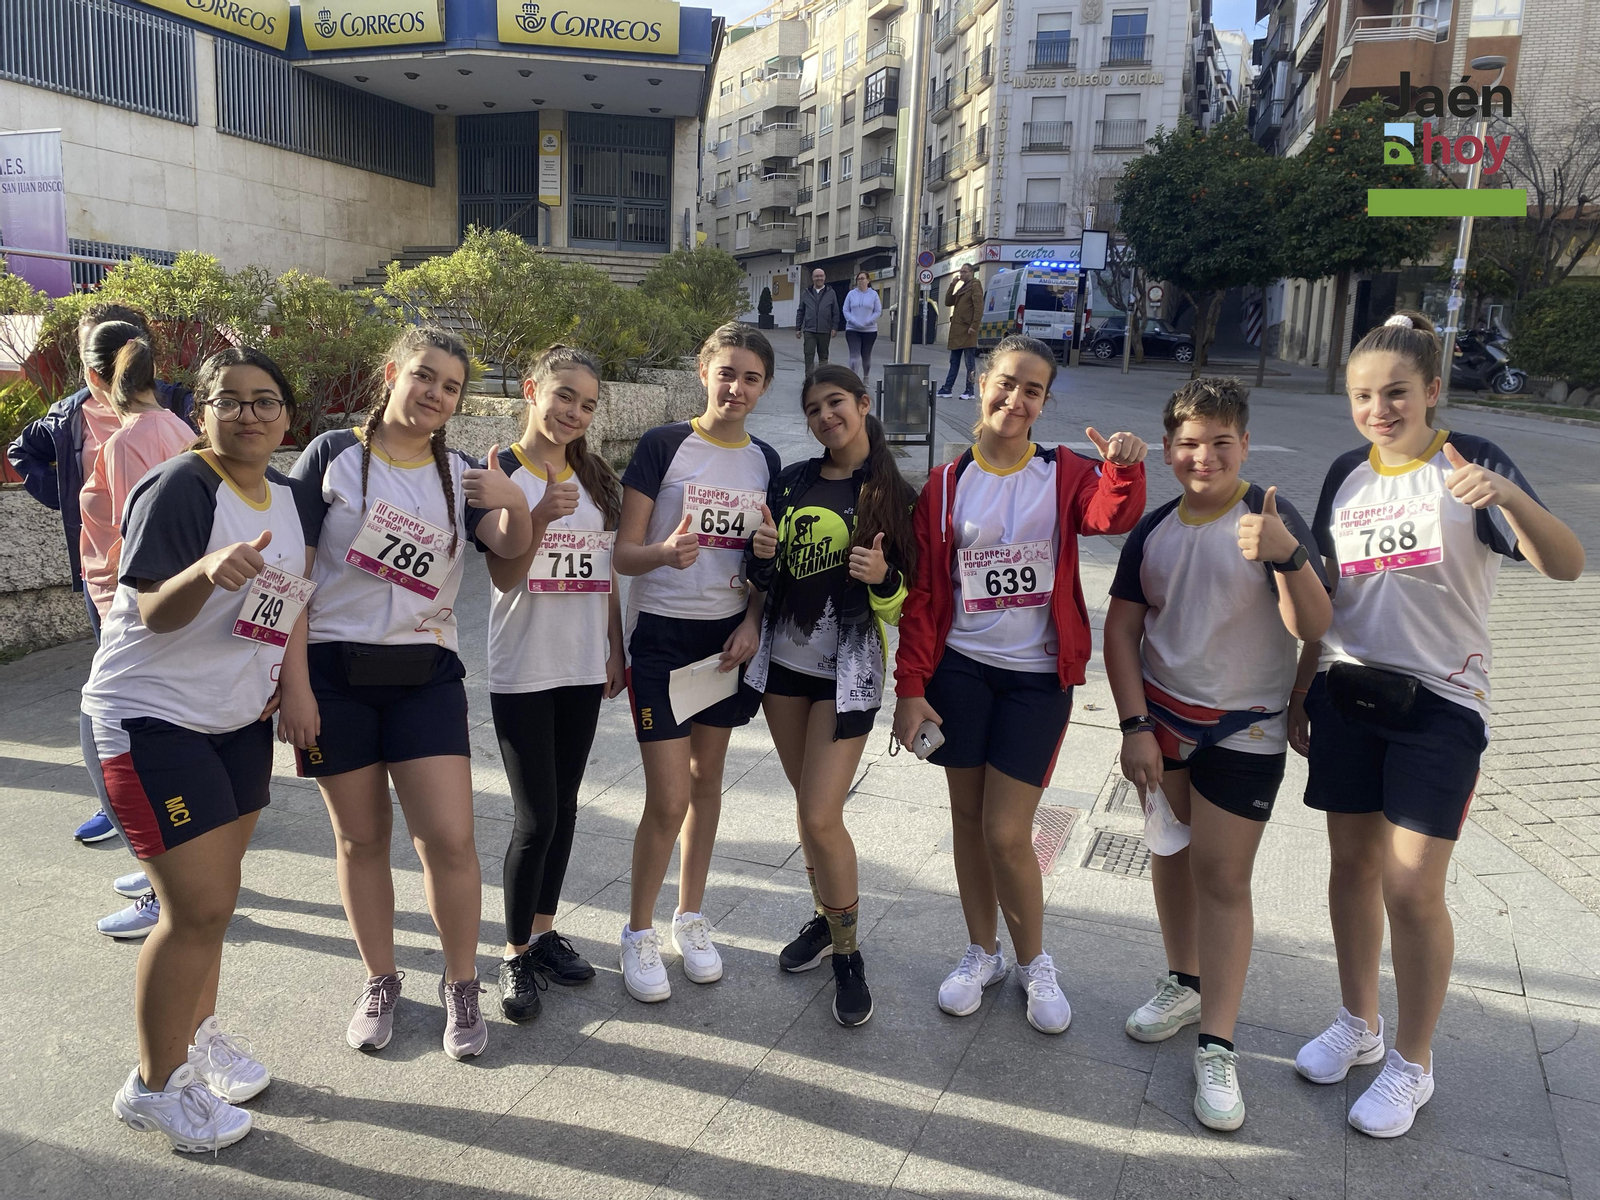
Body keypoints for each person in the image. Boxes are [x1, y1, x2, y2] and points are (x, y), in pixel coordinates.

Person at [1289, 312, 1584, 1138]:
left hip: (1443, 705)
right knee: (1350, 866)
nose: (1379, 409)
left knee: (1413, 886)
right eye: (1362, 396)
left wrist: (1511, 496)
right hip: (1348, 692)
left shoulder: (1471, 463)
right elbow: (1327, 593)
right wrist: (1300, 688)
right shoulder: (1348, 472)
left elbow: (1566, 565)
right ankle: (1358, 1021)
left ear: (1431, 392)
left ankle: (1411, 1063)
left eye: (1395, 394)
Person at [280, 327, 533, 1061]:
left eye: (450, 386)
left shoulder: (458, 473)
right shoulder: (331, 455)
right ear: (392, 373)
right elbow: (294, 580)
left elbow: (512, 552)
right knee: (361, 840)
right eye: (425, 376)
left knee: (449, 840)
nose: (435, 394)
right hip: (333, 678)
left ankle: (461, 986)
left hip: (425, 677)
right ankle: (380, 979)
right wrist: (293, 686)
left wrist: (516, 501)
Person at [83, 347, 308, 1152]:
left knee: (218, 903)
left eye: (266, 400)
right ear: (202, 410)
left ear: (288, 416)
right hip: (151, 719)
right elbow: (150, 612)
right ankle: (153, 1085)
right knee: (196, 910)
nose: (249, 414)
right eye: (231, 400)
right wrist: (206, 570)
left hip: (237, 719)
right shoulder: (183, 484)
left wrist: (298, 686)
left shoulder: (287, 495)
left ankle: (198, 1040)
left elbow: (294, 597)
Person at [893, 335, 1148, 1034]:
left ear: (1044, 402)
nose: (1016, 399)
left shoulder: (1063, 471)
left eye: (1032, 390)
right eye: (1007, 383)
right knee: (969, 828)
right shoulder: (946, 486)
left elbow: (1109, 517)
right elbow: (921, 598)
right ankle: (983, 953)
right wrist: (910, 687)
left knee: (1008, 832)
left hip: (1037, 680)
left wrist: (1121, 469)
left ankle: (1035, 961)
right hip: (960, 673)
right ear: (982, 384)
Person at [1104, 378, 1331, 1131]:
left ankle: (1219, 1044)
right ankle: (1183, 980)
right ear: (1169, 450)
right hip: (1164, 722)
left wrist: (1288, 556)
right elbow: (1123, 630)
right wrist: (1134, 724)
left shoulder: (1269, 516)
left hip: (1246, 728)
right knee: (1170, 857)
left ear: (1245, 445)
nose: (1204, 457)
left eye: (1220, 443)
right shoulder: (1156, 530)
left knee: (1223, 877)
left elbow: (1314, 623)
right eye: (1189, 444)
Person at [743, 364, 917, 1026]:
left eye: (835, 402)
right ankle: (823, 920)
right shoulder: (791, 482)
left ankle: (848, 955)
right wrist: (761, 555)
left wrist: (882, 577)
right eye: (813, 408)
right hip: (783, 669)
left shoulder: (897, 496)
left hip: (848, 675)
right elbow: (764, 575)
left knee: (820, 815)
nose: (824, 416)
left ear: (863, 405)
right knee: (807, 806)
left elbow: (908, 607)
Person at [614, 323, 781, 1003]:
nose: (736, 388)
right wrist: (663, 554)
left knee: (707, 781)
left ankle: (690, 916)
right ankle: (637, 930)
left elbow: (768, 564)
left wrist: (752, 620)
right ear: (702, 370)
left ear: (763, 387)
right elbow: (624, 553)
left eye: (751, 378)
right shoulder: (662, 445)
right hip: (661, 636)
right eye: (726, 373)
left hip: (726, 643)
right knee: (669, 794)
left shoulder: (766, 459)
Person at [7, 302, 194, 845]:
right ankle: (144, 811)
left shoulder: (157, 419)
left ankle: (155, 823)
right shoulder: (73, 414)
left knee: (114, 708)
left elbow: (144, 518)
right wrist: (70, 501)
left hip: (134, 587)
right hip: (111, 582)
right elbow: (27, 455)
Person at [478, 346, 626, 1022]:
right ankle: (511, 955)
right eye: (564, 395)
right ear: (533, 389)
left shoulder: (594, 476)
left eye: (587, 403)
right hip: (523, 667)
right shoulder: (496, 471)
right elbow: (504, 576)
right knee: (535, 817)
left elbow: (604, 573)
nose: (574, 411)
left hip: (580, 662)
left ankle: (541, 931)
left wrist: (614, 648)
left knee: (565, 807)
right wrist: (535, 516)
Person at [75, 321, 203, 940]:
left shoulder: (128, 440)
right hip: (159, 614)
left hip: (134, 617)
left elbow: (137, 543)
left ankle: (163, 892)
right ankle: (163, 879)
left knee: (125, 752)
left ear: (95, 378)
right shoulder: (176, 428)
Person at [938, 263, 981, 400]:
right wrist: (952, 285)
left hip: (968, 330)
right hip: (958, 331)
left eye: (964, 272)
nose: (961, 274)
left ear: (971, 272)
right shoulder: (963, 287)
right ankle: (947, 388)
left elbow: (978, 307)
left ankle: (970, 390)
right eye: (960, 272)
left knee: (969, 363)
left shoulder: (975, 285)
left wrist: (974, 326)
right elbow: (948, 301)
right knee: (954, 361)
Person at [796, 268, 841, 375]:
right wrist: (798, 328)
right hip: (809, 330)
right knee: (808, 354)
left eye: (821, 276)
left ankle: (822, 378)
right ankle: (809, 378)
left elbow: (835, 311)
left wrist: (834, 327)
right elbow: (801, 310)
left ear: (824, 278)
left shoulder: (831, 293)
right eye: (817, 276)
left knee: (823, 356)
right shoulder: (806, 293)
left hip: (825, 330)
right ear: (812, 278)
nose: (819, 278)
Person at [842, 273, 883, 384]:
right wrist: (853, 321)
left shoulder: (873, 294)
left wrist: (868, 321)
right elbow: (845, 310)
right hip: (853, 329)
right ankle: (853, 378)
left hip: (869, 330)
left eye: (862, 279)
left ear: (868, 280)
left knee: (866, 355)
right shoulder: (851, 294)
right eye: (858, 279)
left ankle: (866, 377)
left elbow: (878, 311)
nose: (860, 281)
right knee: (854, 355)